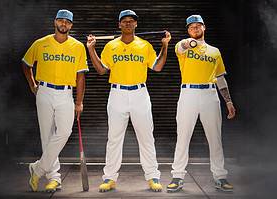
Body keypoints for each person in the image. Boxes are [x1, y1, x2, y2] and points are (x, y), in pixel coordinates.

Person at [86, 9, 171, 192]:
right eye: (124, 21)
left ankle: (153, 176)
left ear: (136, 24)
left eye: (131, 21)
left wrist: (164, 46)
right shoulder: (111, 46)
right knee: (114, 138)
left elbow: (157, 66)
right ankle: (109, 178)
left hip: (140, 93)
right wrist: (91, 50)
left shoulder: (144, 45)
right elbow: (101, 70)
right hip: (117, 94)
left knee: (146, 137)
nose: (128, 23)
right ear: (119, 24)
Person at [167, 15, 236, 192]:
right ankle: (178, 176)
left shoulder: (215, 51)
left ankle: (220, 177)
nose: (195, 29)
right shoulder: (183, 45)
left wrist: (228, 101)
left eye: (198, 26)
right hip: (188, 92)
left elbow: (220, 78)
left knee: (215, 138)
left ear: (204, 27)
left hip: (209, 94)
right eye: (191, 27)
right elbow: (182, 47)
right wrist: (191, 42)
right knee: (183, 136)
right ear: (188, 30)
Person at [22, 9, 88, 192]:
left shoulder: (77, 47)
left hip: (65, 93)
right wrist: (32, 85)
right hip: (44, 91)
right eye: (61, 21)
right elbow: (26, 64)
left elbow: (81, 76)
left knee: (64, 132)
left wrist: (79, 102)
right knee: (47, 136)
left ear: (71, 25)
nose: (64, 24)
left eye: (67, 22)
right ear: (55, 22)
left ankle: (38, 168)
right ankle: (54, 178)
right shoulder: (40, 43)